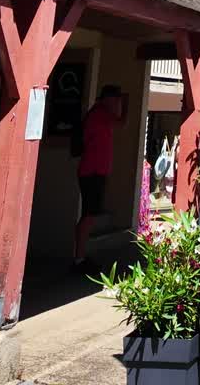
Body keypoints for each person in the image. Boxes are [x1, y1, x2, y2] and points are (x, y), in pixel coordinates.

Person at [74, 84, 128, 267]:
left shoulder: (99, 113)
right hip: (92, 171)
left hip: (94, 171)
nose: (117, 103)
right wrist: (125, 104)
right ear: (108, 100)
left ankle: (80, 256)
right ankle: (79, 258)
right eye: (116, 99)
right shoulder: (101, 114)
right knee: (88, 216)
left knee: (89, 215)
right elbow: (121, 122)